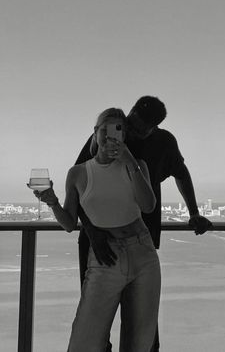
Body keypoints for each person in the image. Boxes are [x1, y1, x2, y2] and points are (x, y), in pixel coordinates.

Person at [74, 96, 213, 352]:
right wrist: (92, 234)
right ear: (130, 112)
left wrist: (194, 212)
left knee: (143, 326)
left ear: (154, 128)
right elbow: (80, 183)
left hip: (141, 240)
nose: (132, 133)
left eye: (139, 130)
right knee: (93, 327)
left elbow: (181, 173)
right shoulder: (107, 133)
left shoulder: (164, 142)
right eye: (131, 124)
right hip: (98, 243)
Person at [33, 108, 161, 352]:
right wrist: (52, 202)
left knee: (139, 341)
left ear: (125, 137)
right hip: (105, 260)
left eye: (118, 130)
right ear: (95, 133)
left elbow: (148, 205)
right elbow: (69, 224)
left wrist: (130, 161)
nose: (110, 135)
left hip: (143, 253)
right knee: (85, 340)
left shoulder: (137, 166)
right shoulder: (79, 173)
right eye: (105, 129)